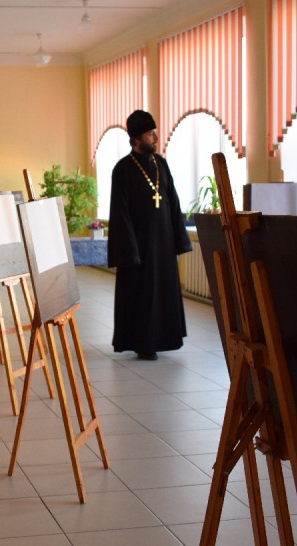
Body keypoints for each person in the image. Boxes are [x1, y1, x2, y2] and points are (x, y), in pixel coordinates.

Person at [107, 110, 192, 360]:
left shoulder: (160, 164)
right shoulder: (123, 169)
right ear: (136, 138)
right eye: (150, 134)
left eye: (155, 133)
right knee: (142, 295)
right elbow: (120, 212)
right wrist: (129, 250)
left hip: (163, 244)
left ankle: (165, 338)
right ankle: (143, 343)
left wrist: (179, 239)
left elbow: (173, 202)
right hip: (139, 248)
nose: (155, 138)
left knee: (163, 292)